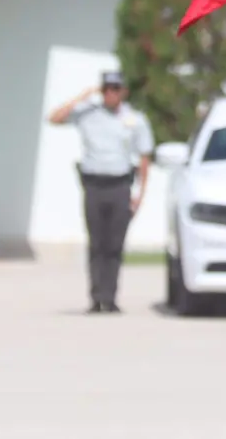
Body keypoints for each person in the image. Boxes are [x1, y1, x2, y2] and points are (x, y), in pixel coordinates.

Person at [47, 71, 155, 314]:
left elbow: (144, 157)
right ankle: (96, 298)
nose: (111, 94)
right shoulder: (88, 115)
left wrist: (140, 193)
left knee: (114, 244)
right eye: (106, 89)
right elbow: (54, 118)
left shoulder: (135, 119)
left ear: (123, 91)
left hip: (120, 186)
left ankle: (111, 297)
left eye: (116, 89)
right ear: (101, 90)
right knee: (96, 244)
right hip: (94, 185)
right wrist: (82, 97)